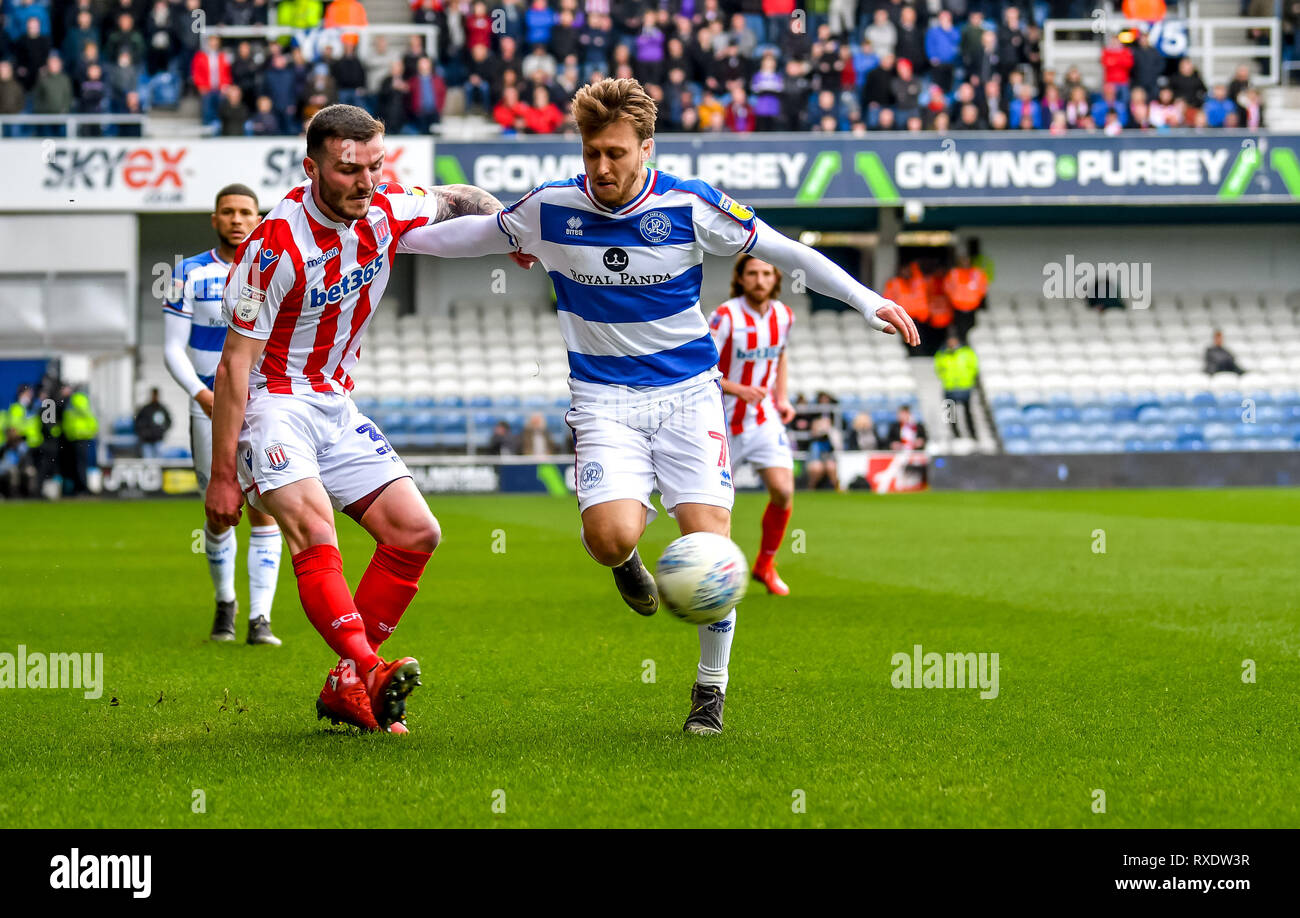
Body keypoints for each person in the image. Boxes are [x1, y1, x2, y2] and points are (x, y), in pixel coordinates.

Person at [395, 78, 916, 736]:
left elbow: (785, 250)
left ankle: (710, 689)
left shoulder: (691, 206)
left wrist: (870, 301)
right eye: (591, 153)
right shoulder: (549, 210)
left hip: (689, 397)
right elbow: (464, 238)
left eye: (616, 153)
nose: (602, 167)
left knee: (710, 549)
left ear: (647, 148)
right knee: (608, 538)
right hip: (604, 400)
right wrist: (381, 235)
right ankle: (628, 564)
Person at [203, 105, 531, 734]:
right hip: (273, 403)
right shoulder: (271, 249)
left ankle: (346, 686)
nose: (365, 181)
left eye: (375, 165)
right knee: (316, 530)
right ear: (312, 167)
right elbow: (233, 367)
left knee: (415, 532)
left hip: (334, 400)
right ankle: (368, 671)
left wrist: (510, 232)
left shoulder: (385, 206)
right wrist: (223, 476)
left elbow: (458, 197)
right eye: (349, 169)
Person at [164, 185, 284, 645]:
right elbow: (173, 346)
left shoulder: (274, 268)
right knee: (220, 511)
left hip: (263, 404)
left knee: (264, 507)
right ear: (214, 219)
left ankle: (260, 619)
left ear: (259, 218)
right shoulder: (188, 273)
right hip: (208, 406)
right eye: (228, 212)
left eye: (246, 212)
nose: (237, 219)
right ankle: (225, 603)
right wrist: (199, 392)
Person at [708, 255, 797, 596]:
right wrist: (740, 389)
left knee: (784, 491)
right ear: (741, 279)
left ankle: (765, 564)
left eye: (766, 274)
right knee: (715, 506)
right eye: (753, 274)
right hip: (720, 422)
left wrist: (783, 398)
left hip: (762, 418)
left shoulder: (784, 315)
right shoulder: (725, 316)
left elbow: (780, 355)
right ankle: (715, 576)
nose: (760, 280)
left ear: (775, 278)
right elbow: (704, 368)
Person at [934, 332, 979, 439]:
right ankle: (955, 435)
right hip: (949, 387)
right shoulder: (942, 354)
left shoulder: (967, 352)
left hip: (964, 386)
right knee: (950, 413)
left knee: (967, 412)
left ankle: (972, 434)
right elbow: (938, 369)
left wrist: (968, 379)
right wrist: (945, 378)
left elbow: (974, 367)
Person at [943, 253, 987, 343]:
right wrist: (955, 299)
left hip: (973, 307)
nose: (965, 262)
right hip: (957, 307)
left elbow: (983, 288)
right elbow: (947, 287)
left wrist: (975, 299)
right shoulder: (954, 273)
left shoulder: (977, 273)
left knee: (972, 329)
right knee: (959, 330)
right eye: (963, 260)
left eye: (966, 260)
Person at [805, 391, 841, 490]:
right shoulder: (814, 414)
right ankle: (811, 488)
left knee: (831, 467)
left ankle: (837, 488)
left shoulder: (833, 414)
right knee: (816, 468)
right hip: (817, 444)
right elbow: (811, 431)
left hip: (828, 445)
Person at [133, 387, 171, 458]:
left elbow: (169, 422)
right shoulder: (145, 409)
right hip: (146, 442)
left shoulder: (162, 409)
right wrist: (143, 433)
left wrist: (162, 430)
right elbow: (137, 421)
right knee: (148, 462)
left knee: (159, 462)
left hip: (158, 441)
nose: (155, 397)